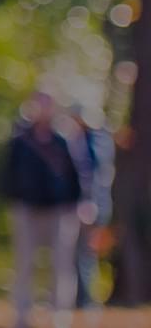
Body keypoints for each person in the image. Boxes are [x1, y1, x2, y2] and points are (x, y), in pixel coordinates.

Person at [1, 92, 86, 328]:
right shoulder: (21, 138)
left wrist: (79, 202)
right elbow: (8, 172)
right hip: (26, 208)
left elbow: (78, 173)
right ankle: (22, 314)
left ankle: (60, 314)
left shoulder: (64, 139)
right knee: (24, 262)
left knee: (61, 263)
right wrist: (13, 199)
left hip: (60, 209)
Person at [70, 101, 114, 309]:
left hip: (93, 206)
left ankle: (86, 301)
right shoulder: (99, 139)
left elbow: (93, 178)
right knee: (82, 254)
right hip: (95, 205)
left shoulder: (95, 142)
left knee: (86, 254)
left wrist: (90, 203)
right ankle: (82, 299)